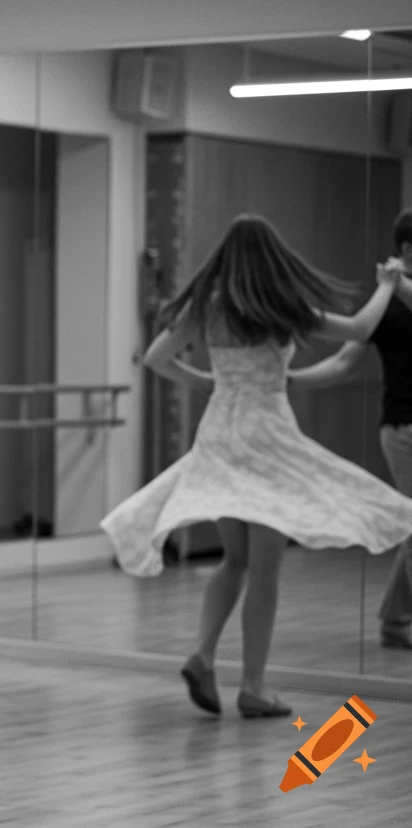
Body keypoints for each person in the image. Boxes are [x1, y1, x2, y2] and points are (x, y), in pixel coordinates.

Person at [99, 213, 412, 720]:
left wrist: (202, 379)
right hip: (266, 436)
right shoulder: (277, 307)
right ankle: (253, 686)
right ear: (272, 259)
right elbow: (357, 328)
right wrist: (386, 285)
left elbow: (156, 358)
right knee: (264, 569)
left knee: (236, 559)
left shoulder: (210, 307)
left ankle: (203, 656)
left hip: (222, 431)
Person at [288, 207, 412, 651]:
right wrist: (287, 380)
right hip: (404, 430)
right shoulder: (383, 305)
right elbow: (343, 361)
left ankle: (396, 619)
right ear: (407, 249)